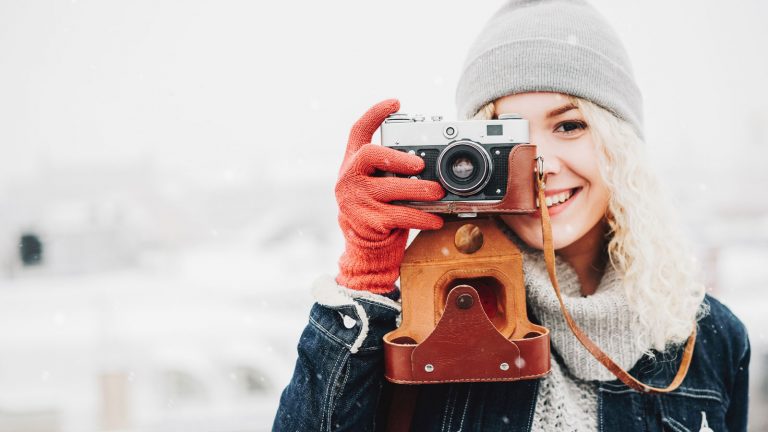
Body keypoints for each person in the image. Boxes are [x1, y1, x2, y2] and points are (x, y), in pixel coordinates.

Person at [272, 0, 750, 430]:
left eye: (569, 125)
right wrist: (365, 276)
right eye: (508, 136)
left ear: (621, 146)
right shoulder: (422, 317)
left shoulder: (707, 338)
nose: (540, 164)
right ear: (468, 155)